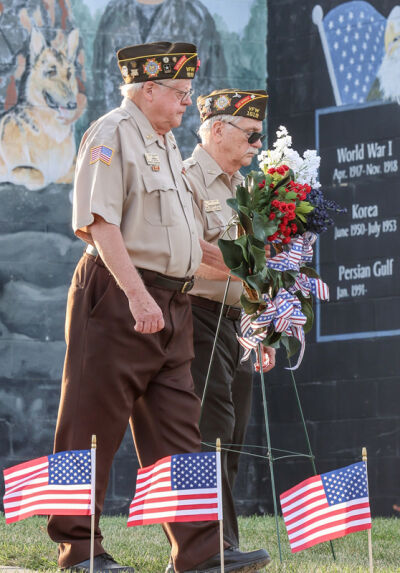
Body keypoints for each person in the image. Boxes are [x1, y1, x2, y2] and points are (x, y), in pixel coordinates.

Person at [47, 43, 270, 573]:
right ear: (148, 89)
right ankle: (79, 551)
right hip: (121, 294)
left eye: (189, 94)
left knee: (179, 433)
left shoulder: (166, 144)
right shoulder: (111, 133)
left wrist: (259, 280)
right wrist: (137, 293)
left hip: (173, 302)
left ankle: (198, 553)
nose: (187, 105)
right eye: (179, 94)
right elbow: (99, 223)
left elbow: (192, 241)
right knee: (91, 426)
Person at [183, 89, 276, 554]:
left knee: (235, 433)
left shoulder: (242, 186)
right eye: (251, 135)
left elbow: (256, 264)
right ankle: (211, 548)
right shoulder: (187, 179)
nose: (257, 145)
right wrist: (243, 269)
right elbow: (188, 254)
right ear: (218, 129)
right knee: (210, 430)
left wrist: (262, 323)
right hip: (199, 316)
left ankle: (219, 545)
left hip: (239, 321)